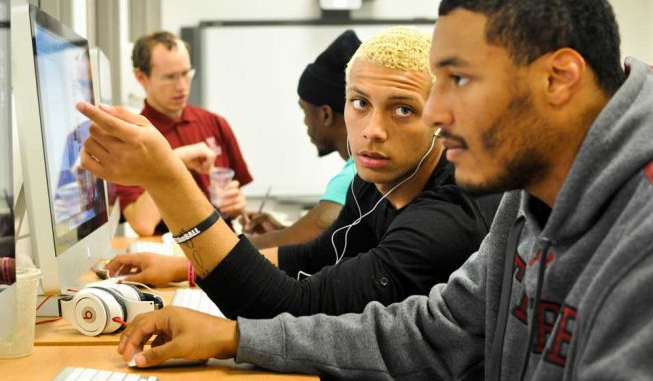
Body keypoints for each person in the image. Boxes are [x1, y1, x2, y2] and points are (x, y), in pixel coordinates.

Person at [83, 0, 653, 379]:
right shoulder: (524, 204)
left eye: (458, 80)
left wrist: (169, 181)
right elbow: (433, 331)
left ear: (558, 79)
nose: (435, 111)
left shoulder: (639, 234)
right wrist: (235, 338)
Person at [81, 27, 494, 319]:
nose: (372, 130)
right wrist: (183, 269)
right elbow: (312, 256)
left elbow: (289, 306)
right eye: (360, 103)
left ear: (440, 118)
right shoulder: (378, 183)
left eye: (403, 109)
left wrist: (166, 177)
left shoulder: (445, 220)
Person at [120, 31, 252, 236]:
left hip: (227, 245)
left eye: (185, 73)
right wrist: (176, 160)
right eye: (170, 77)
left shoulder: (215, 124)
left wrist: (238, 205)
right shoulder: (132, 139)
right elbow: (142, 224)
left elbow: (236, 200)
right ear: (141, 77)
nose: (181, 86)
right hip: (173, 253)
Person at [240, 30, 361, 249]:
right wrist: (282, 232)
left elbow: (306, 241)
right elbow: (313, 240)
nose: (305, 122)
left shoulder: (356, 175)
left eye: (305, 112)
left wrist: (226, 244)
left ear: (325, 114)